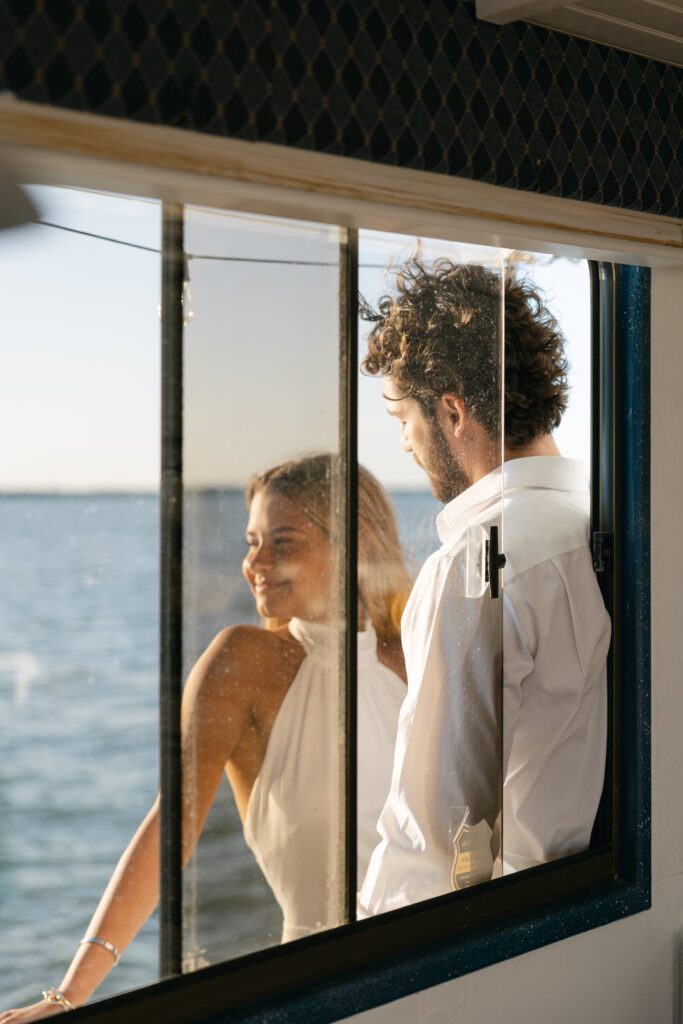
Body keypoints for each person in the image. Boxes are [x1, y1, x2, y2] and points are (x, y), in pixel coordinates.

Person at [2, 455, 410, 1020]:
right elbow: (171, 829)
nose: (255, 564)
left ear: (353, 545)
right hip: (323, 987)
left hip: (431, 964)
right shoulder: (244, 661)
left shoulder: (412, 656)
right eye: (251, 542)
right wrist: (69, 996)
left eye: (282, 542)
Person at [357, 259, 611, 915]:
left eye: (403, 424)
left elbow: (433, 841)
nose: (408, 449)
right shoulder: (606, 524)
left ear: (451, 412)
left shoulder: (478, 562)